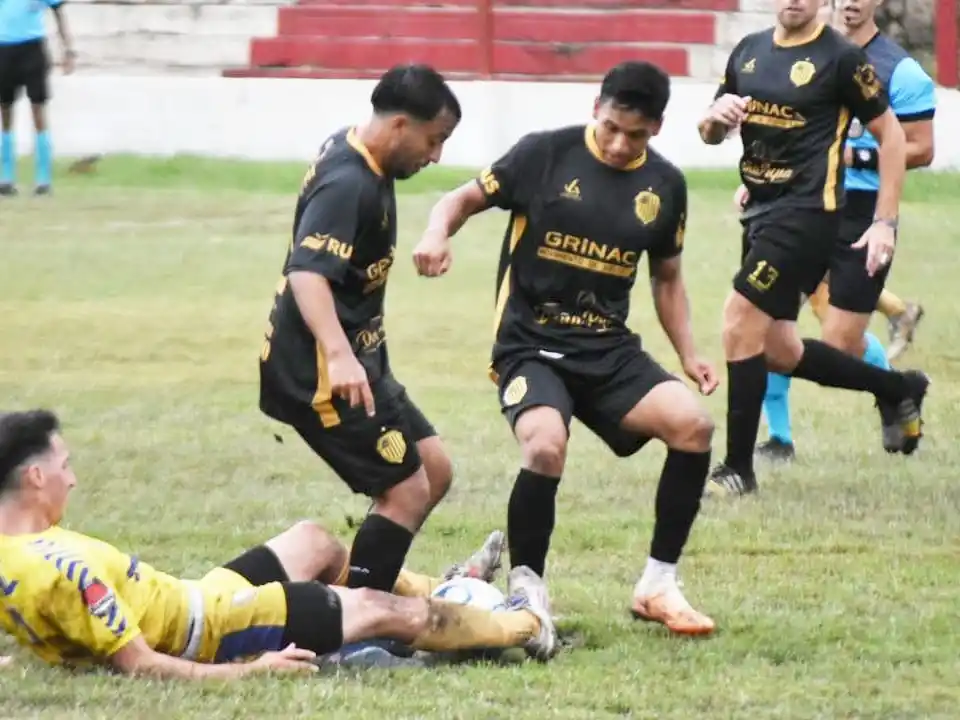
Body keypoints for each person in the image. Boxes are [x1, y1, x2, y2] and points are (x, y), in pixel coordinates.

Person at [414, 61, 718, 636]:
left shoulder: (666, 185)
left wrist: (688, 353)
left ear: (657, 128)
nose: (621, 143)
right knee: (546, 446)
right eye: (611, 128)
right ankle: (528, 589)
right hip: (530, 344)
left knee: (693, 426)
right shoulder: (544, 155)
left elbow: (667, 278)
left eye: (637, 135)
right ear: (595, 110)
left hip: (607, 349)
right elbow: (458, 200)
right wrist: (435, 234)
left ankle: (658, 584)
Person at [0, 410, 558, 677]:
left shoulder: (15, 553)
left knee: (315, 542)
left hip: (197, 594)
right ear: (34, 478)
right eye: (65, 467)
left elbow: (42, 621)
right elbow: (142, 664)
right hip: (214, 629)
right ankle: (528, 625)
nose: (73, 479)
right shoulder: (66, 569)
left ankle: (455, 586)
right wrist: (251, 670)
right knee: (385, 610)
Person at [698, 0, 930, 497]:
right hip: (760, 214)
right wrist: (715, 119)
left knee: (739, 320)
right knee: (779, 349)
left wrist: (884, 221)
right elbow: (711, 132)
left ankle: (738, 468)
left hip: (808, 218)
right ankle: (897, 387)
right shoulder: (749, 51)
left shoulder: (842, 58)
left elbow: (891, 137)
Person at [258, 65, 462, 597]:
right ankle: (360, 628)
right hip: (321, 370)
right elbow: (306, 273)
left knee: (433, 469)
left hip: (362, 358)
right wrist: (339, 353)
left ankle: (367, 586)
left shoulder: (356, 152)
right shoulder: (350, 183)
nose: (435, 155)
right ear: (399, 126)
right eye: (433, 140)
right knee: (407, 491)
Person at [0, 0, 74, 196]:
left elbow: (59, 12)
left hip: (32, 49)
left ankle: (43, 179)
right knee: (5, 110)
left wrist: (68, 49)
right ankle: (6, 177)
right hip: (4, 49)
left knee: (38, 109)